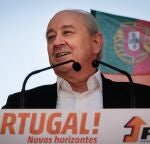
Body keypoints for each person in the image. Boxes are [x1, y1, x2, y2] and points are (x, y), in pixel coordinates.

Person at [2, 9, 150, 109]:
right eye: (51, 37)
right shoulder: (20, 104)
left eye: (67, 32)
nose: (57, 42)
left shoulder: (142, 98)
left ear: (96, 43)